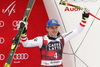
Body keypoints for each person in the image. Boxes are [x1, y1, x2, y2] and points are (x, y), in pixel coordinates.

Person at [19, 7, 89, 67]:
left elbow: (78, 30)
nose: (54, 30)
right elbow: (26, 44)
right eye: (52, 28)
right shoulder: (42, 39)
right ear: (47, 29)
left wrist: (84, 19)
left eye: (56, 27)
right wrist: (23, 34)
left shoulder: (62, 38)